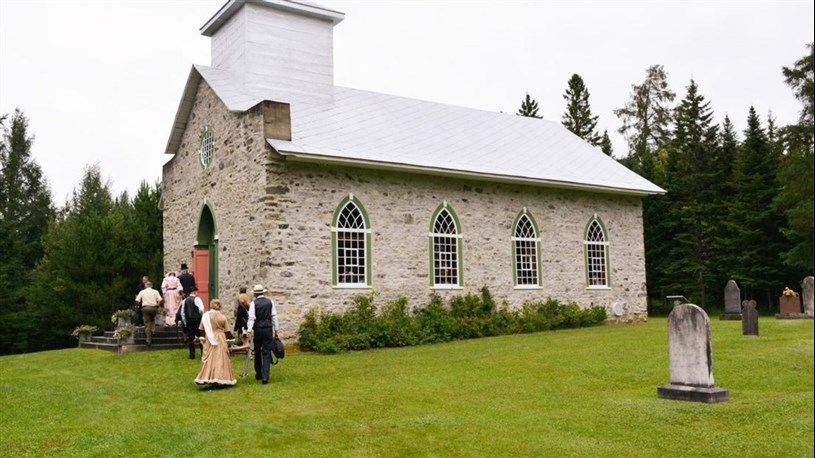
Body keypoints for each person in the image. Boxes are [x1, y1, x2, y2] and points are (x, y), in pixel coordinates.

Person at [194, 299, 236, 388]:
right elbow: (227, 331)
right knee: (220, 357)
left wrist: (203, 338)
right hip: (220, 337)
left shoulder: (206, 316)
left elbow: (201, 329)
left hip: (210, 337)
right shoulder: (222, 317)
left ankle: (209, 377)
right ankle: (221, 377)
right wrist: (231, 340)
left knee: (210, 358)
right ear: (219, 306)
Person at [246, 284, 279, 384]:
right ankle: (265, 376)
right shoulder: (270, 302)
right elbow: (274, 316)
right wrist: (276, 329)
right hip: (268, 328)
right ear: (263, 292)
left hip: (258, 328)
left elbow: (252, 318)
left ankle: (259, 373)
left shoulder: (253, 303)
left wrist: (249, 329)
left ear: (255, 294)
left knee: (257, 350)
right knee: (267, 352)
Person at [177, 289, 205, 359]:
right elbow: (201, 309)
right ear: (194, 292)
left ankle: (192, 355)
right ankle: (203, 354)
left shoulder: (184, 301)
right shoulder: (197, 299)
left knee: (190, 338)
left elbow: (182, 312)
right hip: (197, 320)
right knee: (201, 336)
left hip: (188, 320)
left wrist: (185, 321)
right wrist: (201, 317)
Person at [134, 281, 163, 348]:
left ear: (145, 286)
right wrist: (157, 305)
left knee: (147, 324)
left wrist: (138, 306)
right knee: (152, 319)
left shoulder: (142, 292)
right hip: (154, 308)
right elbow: (160, 299)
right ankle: (153, 331)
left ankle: (148, 340)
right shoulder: (155, 291)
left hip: (145, 308)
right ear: (151, 285)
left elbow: (137, 300)